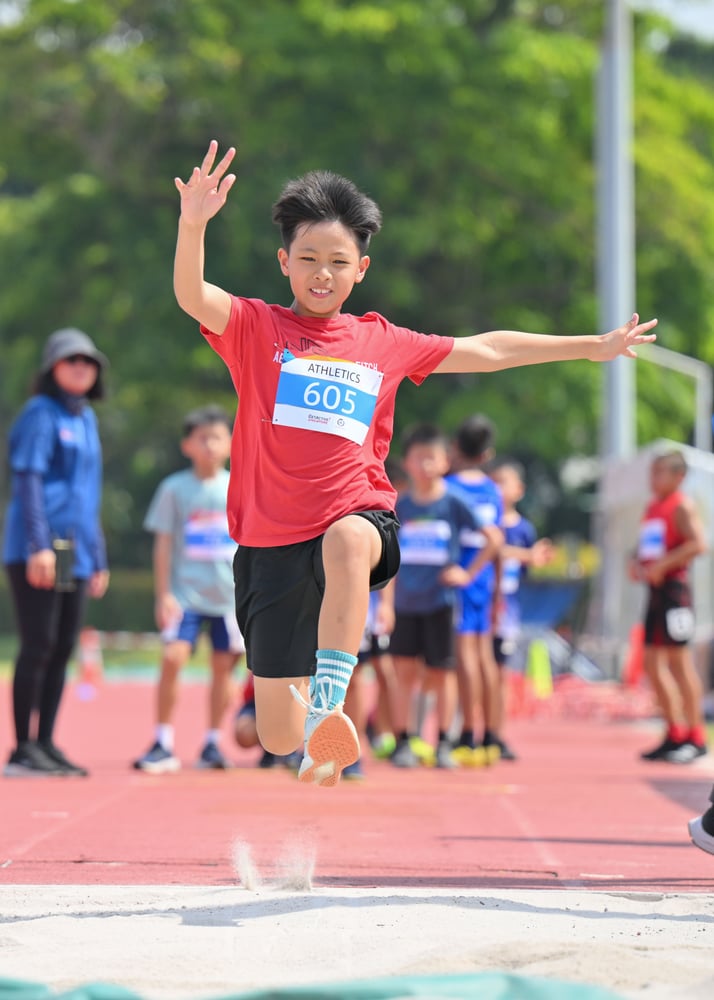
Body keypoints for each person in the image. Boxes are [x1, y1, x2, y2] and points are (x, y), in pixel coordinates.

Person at [172, 139, 657, 787]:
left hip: (357, 517)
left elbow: (487, 350)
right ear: (284, 261)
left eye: (338, 262)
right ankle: (303, 720)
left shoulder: (382, 341)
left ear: (361, 269)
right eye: (308, 259)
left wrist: (590, 345)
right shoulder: (256, 328)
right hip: (271, 541)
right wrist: (193, 225)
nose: (322, 274)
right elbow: (192, 295)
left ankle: (329, 705)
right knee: (274, 735)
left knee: (348, 538)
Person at [3, 328, 110, 777]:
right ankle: (22, 748)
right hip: (41, 547)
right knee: (39, 643)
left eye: (89, 361)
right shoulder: (40, 413)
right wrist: (38, 545)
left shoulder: (86, 418)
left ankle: (45, 742)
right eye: (71, 360)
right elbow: (28, 480)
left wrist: (97, 555)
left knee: (64, 645)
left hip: (74, 551)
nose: (81, 367)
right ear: (52, 368)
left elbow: (88, 494)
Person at [133, 405, 245, 773]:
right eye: (202, 438)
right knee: (173, 658)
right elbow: (163, 544)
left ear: (230, 444)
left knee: (223, 669)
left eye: (217, 437)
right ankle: (162, 741)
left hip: (228, 598)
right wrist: (163, 594)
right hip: (185, 596)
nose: (210, 445)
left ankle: (212, 742)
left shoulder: (239, 487)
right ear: (187, 445)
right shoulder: (174, 489)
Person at [388, 424, 501, 769]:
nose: (425, 466)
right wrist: (386, 604)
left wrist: (467, 574)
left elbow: (494, 538)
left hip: (441, 602)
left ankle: (444, 742)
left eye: (432, 458)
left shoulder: (454, 502)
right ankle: (404, 740)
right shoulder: (400, 506)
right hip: (406, 602)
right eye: (418, 458)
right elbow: (390, 557)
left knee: (442, 672)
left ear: (444, 462)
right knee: (404, 673)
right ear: (407, 463)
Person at [629, 450, 708, 764]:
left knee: (679, 663)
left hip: (675, 592)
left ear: (679, 476)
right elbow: (645, 547)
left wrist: (663, 565)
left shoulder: (682, 506)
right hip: (655, 592)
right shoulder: (652, 508)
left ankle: (696, 736)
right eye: (652, 472)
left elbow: (698, 544)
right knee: (651, 663)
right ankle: (674, 731)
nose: (653, 479)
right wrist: (636, 563)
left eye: (660, 472)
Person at [446, 415, 505, 766]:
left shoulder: (448, 488)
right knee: (485, 656)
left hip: (460, 575)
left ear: (455, 447)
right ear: (487, 455)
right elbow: (499, 543)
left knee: (465, 656)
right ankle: (491, 734)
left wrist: (466, 573)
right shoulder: (493, 491)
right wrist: (496, 589)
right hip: (484, 578)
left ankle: (468, 732)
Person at [490, 460, 554, 760]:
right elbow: (491, 550)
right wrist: (526, 555)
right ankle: (469, 730)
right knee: (473, 670)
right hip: (479, 605)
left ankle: (496, 733)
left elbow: (526, 569)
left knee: (501, 672)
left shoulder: (524, 529)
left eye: (504, 482)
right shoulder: (484, 521)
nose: (498, 488)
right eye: (494, 481)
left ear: (519, 490)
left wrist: (534, 558)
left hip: (507, 609)